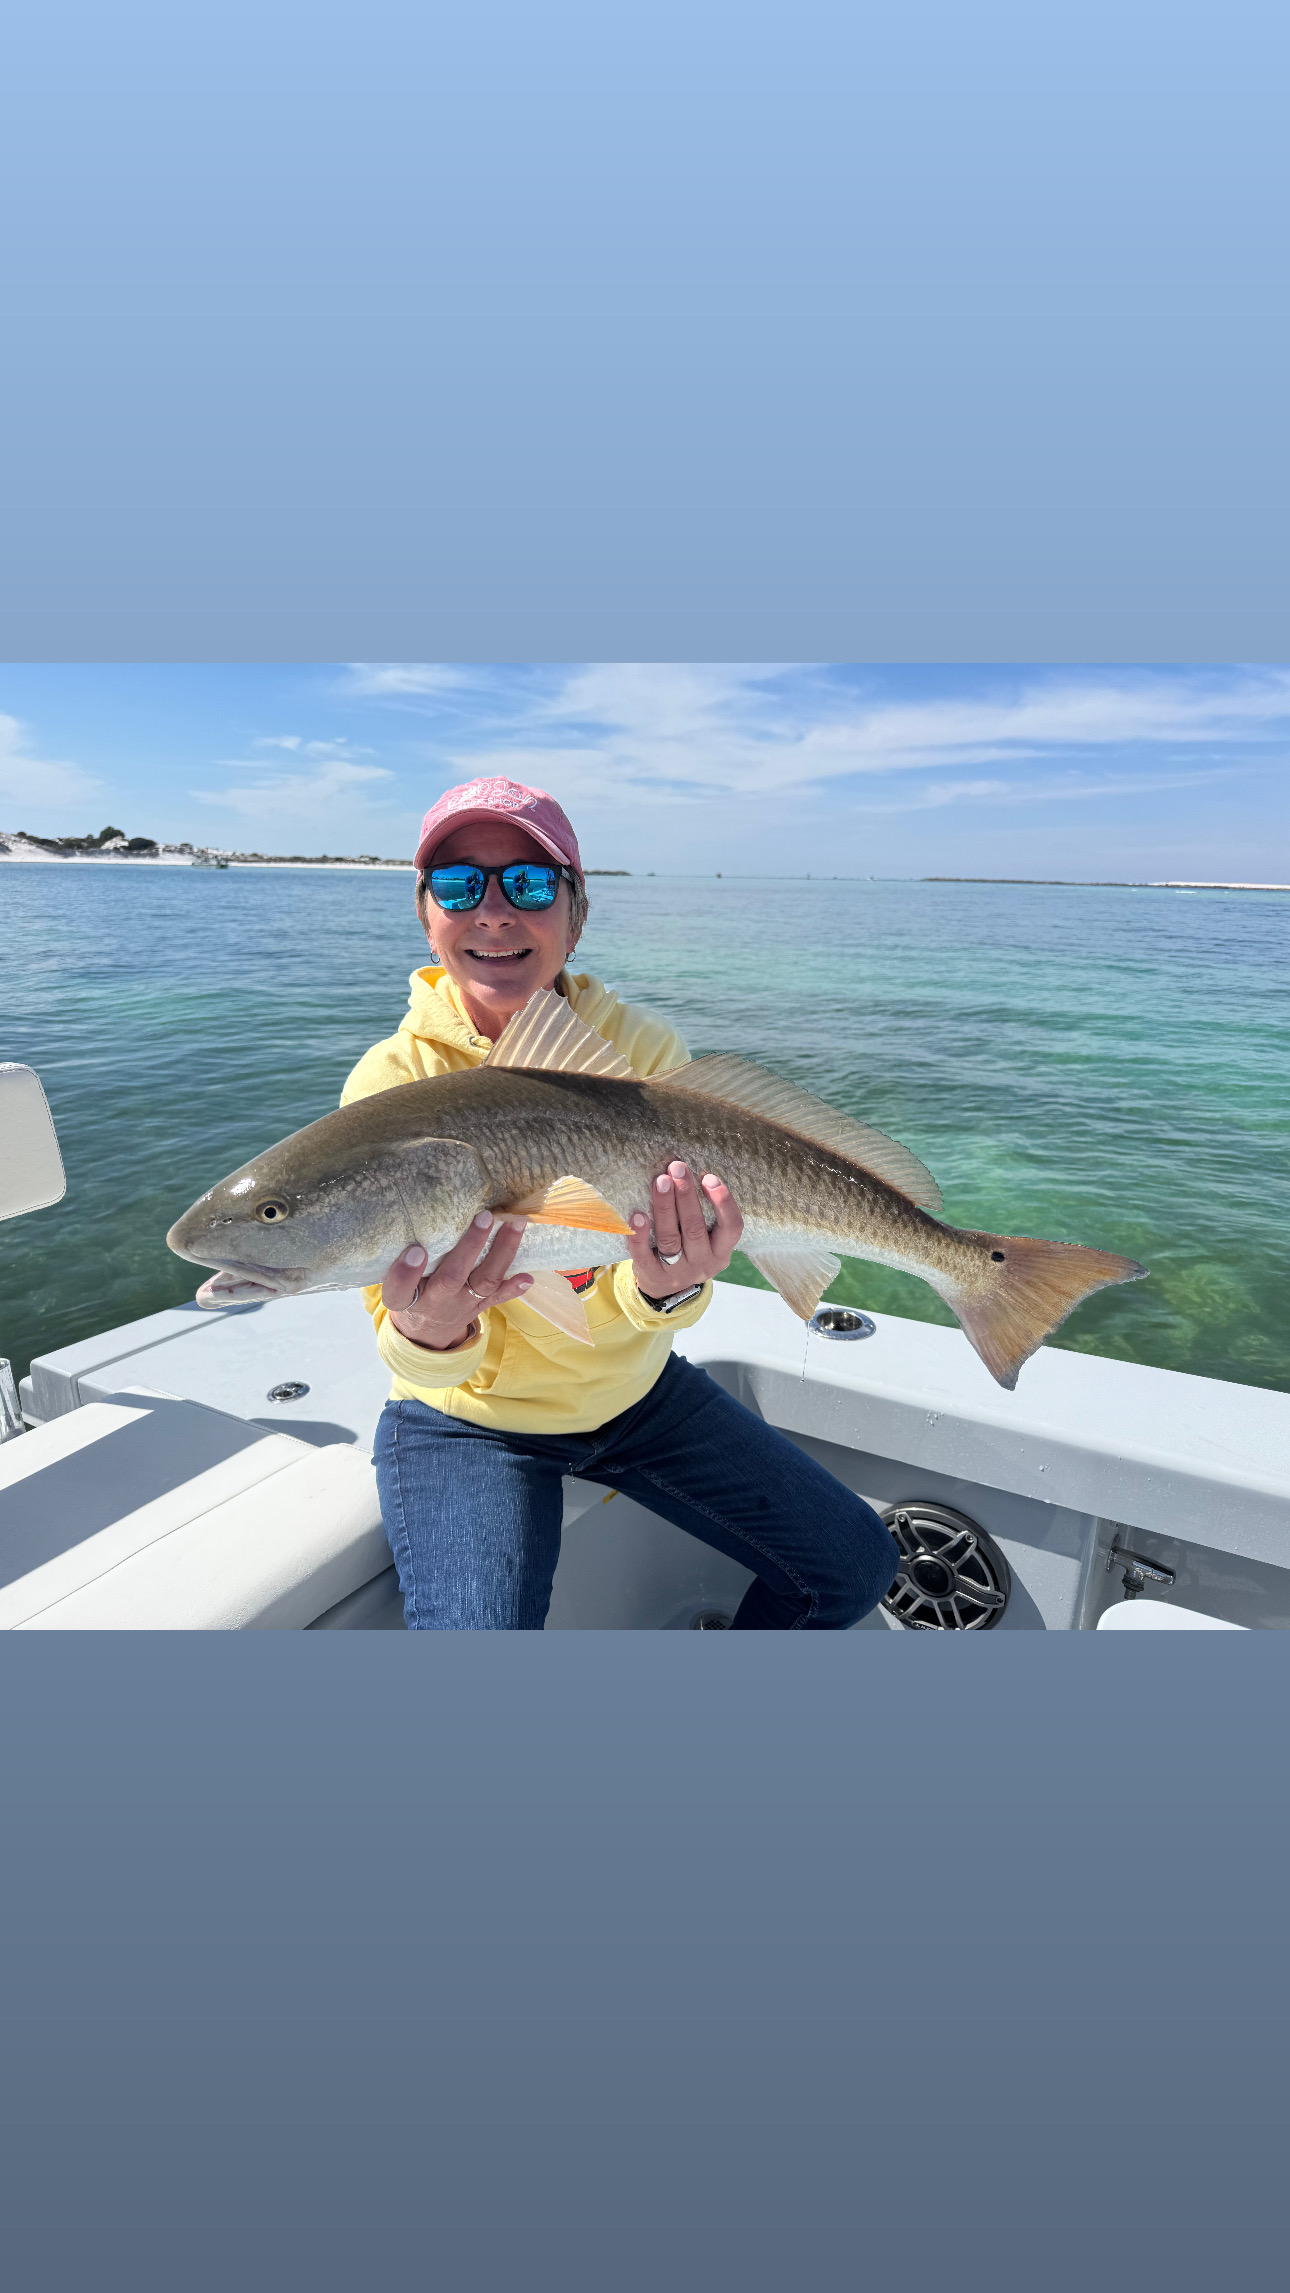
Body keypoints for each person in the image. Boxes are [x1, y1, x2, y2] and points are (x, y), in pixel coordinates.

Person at [341, 775, 899, 1630]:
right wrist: (429, 1329)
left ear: (577, 912)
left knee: (855, 1563)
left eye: (528, 882)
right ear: (426, 914)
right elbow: (398, 1327)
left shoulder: (641, 1049)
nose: (493, 910)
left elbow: (652, 1288)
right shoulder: (392, 1081)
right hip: (466, 1424)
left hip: (635, 1397)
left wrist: (666, 1287)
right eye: (459, 885)